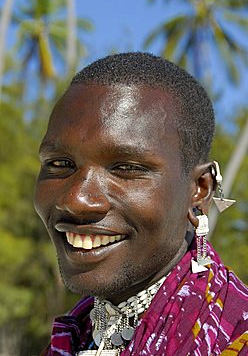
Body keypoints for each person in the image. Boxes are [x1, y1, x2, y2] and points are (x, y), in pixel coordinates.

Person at [34, 52, 248, 356]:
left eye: (126, 168)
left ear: (199, 189)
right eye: (60, 163)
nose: (76, 200)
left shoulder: (235, 339)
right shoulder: (74, 337)